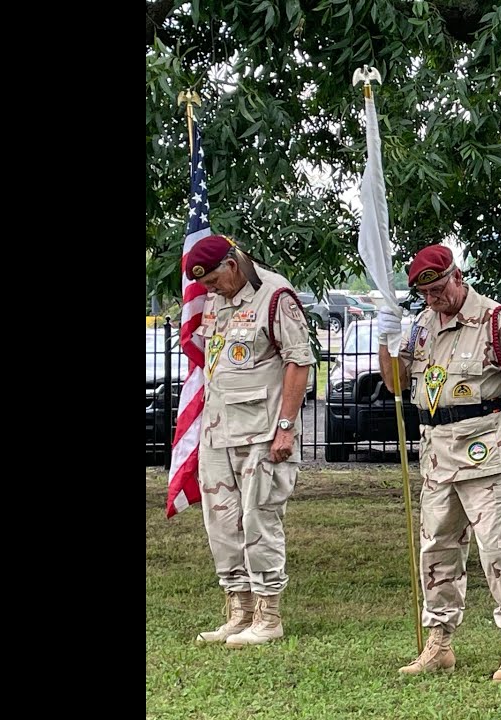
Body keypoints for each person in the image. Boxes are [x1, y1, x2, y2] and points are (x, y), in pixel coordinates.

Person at [376, 245, 501, 681]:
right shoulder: (420, 327)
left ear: (457, 276)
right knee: (436, 550)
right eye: (425, 294)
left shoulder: (496, 321)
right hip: (438, 455)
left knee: (499, 550)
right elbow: (397, 382)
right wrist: (386, 341)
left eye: (438, 289)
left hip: (486, 455)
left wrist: (500, 410)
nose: (433, 299)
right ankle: (439, 642)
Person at [188, 234, 314, 647]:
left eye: (214, 282)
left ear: (233, 265)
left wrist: (286, 426)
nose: (211, 291)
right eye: (205, 287)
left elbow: (299, 362)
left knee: (259, 519)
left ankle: (268, 615)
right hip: (218, 429)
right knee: (222, 523)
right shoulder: (216, 300)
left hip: (261, 433)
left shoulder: (275, 297)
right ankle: (238, 611)